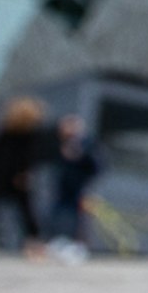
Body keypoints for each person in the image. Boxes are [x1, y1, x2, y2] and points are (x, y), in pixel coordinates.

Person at [0, 96, 48, 255]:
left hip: (0, 176)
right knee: (26, 213)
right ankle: (34, 244)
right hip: (16, 177)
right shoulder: (31, 136)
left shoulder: (3, 133)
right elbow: (30, 157)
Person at [42, 107, 103, 261]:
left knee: (78, 218)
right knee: (56, 215)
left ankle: (78, 247)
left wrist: (80, 155)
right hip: (62, 188)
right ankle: (56, 243)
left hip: (80, 188)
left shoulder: (87, 144)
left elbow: (97, 166)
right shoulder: (58, 143)